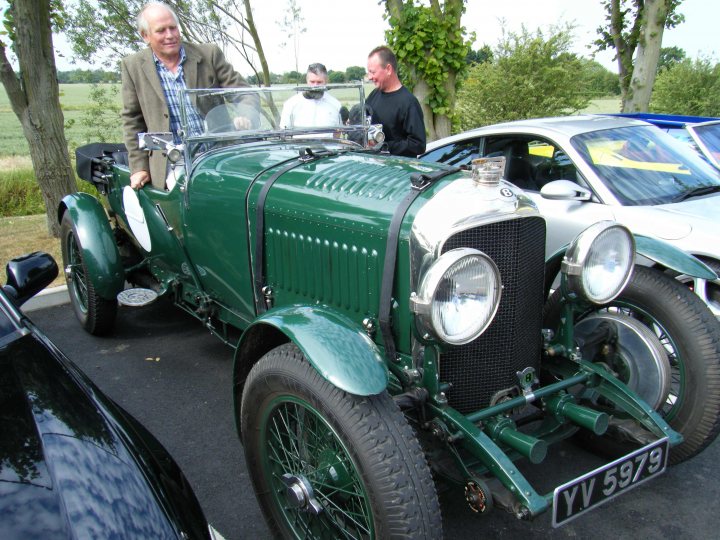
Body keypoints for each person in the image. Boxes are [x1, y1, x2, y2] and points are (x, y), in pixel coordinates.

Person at [121, 2, 251, 190]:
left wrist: (245, 114)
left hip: (220, 153)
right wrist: (139, 168)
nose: (170, 35)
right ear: (145, 36)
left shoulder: (208, 54)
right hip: (174, 160)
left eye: (173, 28)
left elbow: (242, 92)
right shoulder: (132, 66)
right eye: (161, 30)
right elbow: (132, 119)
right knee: (191, 194)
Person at [365, 46, 426, 157]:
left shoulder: (409, 103)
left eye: (372, 72)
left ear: (388, 69)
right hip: (374, 170)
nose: (369, 77)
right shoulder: (373, 95)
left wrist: (384, 146)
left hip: (398, 171)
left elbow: (418, 145)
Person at [279, 63, 342, 128]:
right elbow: (284, 131)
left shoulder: (335, 105)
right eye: (312, 82)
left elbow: (338, 131)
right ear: (307, 80)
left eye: (319, 82)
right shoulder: (291, 104)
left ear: (326, 81)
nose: (315, 86)